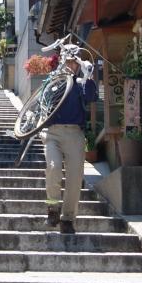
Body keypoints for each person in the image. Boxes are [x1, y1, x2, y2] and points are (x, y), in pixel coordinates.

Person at [40, 56, 98, 235]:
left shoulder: (81, 83)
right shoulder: (53, 81)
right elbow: (42, 102)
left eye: (74, 62)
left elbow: (91, 97)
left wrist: (88, 75)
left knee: (75, 178)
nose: (71, 65)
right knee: (53, 167)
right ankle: (53, 209)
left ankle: (68, 219)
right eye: (68, 61)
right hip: (53, 133)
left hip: (75, 133)